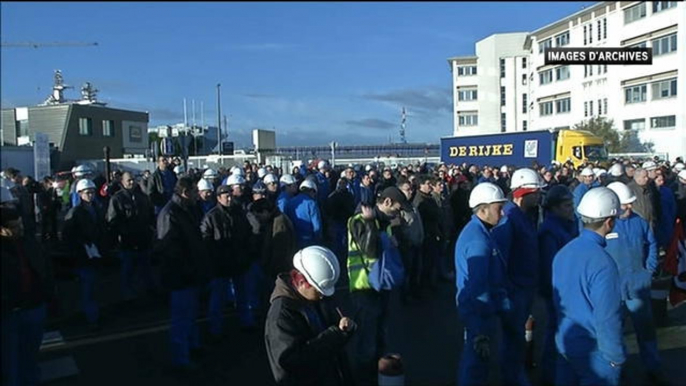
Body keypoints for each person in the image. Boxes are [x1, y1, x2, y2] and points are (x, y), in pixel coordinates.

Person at [553, 187, 626, 386]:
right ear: (610, 222)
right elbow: (607, 317)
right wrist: (615, 357)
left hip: (565, 345)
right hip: (595, 353)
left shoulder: (563, 253)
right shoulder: (603, 262)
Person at [347, 186, 410, 386]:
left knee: (379, 337)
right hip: (363, 288)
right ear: (388, 202)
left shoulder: (385, 224)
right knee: (366, 341)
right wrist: (369, 223)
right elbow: (370, 251)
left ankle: (379, 377)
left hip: (380, 287)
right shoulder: (359, 221)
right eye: (398, 209)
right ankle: (362, 379)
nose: (398, 213)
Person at [265, 246, 355, 386]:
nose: (322, 296)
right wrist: (335, 335)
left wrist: (343, 330)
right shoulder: (281, 316)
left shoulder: (311, 298)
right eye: (319, 291)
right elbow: (293, 361)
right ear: (302, 282)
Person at [605, 182, 665, 383]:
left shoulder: (639, 222)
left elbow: (652, 245)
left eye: (630, 204)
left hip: (638, 286)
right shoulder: (604, 226)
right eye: (625, 204)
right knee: (614, 333)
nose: (629, 207)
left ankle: (653, 368)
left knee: (646, 332)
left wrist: (648, 270)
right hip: (614, 289)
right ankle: (617, 371)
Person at [454, 182, 509, 386]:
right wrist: (479, 330)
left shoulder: (479, 233)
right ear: (483, 209)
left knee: (476, 363)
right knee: (475, 364)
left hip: (480, 310)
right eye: (498, 208)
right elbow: (477, 286)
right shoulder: (478, 240)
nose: (502, 214)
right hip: (479, 313)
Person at [492, 168, 543, 386]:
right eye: (536, 192)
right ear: (524, 193)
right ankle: (512, 378)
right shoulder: (510, 218)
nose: (539, 196)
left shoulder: (521, 215)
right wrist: (507, 289)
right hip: (515, 289)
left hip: (524, 285)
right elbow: (502, 258)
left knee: (517, 336)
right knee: (513, 338)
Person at [154, 177, 208, 373]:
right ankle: (180, 360)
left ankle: (192, 347)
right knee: (181, 319)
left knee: (191, 315)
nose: (197, 195)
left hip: (190, 274)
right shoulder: (170, 214)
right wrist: (188, 269)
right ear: (185, 192)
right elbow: (168, 249)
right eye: (194, 192)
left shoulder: (185, 210)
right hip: (180, 277)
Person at [1, 187, 54, 386]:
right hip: (8, 314)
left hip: (33, 308)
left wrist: (49, 297)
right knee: (10, 366)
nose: (18, 228)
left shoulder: (28, 242)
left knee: (29, 361)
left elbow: (43, 270)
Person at [537, 185, 579, 386]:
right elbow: (549, 267)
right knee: (555, 332)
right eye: (566, 205)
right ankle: (549, 374)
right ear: (553, 208)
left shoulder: (567, 225)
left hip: (565, 289)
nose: (571, 208)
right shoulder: (550, 232)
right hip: (558, 292)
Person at [201, 184, 252, 341]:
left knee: (242, 296)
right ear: (218, 198)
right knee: (218, 300)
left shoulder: (239, 213)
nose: (229, 198)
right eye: (226, 196)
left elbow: (247, 234)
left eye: (230, 195)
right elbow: (206, 240)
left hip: (238, 261)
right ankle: (216, 329)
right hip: (220, 264)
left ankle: (247, 323)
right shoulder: (211, 216)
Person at [62, 179, 106, 331]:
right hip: (83, 255)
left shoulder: (96, 208)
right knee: (87, 287)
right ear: (80, 194)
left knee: (94, 286)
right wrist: (81, 245)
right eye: (87, 192)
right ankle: (91, 317)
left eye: (92, 192)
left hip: (95, 254)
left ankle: (94, 314)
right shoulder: (75, 212)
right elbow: (67, 236)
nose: (90, 195)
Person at [106, 172, 157, 303]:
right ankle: (128, 297)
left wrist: (151, 231)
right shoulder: (117, 199)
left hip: (143, 240)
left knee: (145, 270)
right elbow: (112, 220)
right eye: (128, 180)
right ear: (122, 182)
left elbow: (150, 215)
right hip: (127, 242)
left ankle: (147, 295)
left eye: (133, 180)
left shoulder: (142, 197)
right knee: (127, 271)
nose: (131, 182)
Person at [413, 175, 443, 292]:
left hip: (432, 231)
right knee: (425, 262)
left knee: (431, 261)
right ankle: (423, 286)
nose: (430, 186)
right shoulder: (420, 200)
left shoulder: (428, 197)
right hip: (426, 234)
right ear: (421, 185)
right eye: (427, 184)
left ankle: (429, 283)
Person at [286, 179, 323, 249]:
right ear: (312, 191)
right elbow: (317, 226)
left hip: (294, 239)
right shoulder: (311, 203)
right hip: (309, 240)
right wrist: (318, 241)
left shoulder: (290, 201)